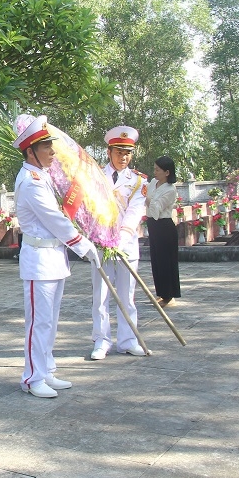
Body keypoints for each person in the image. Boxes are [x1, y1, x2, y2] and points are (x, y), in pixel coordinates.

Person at [12, 114, 98, 398]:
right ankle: (33, 377)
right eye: (46, 147)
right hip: (38, 260)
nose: (52, 152)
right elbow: (54, 219)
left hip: (53, 258)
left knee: (50, 321)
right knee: (39, 322)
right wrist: (83, 245)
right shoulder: (31, 181)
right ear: (30, 151)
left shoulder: (43, 177)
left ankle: (47, 370)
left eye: (51, 146)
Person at [90, 126, 147, 360]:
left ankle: (128, 340)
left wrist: (121, 238)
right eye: (119, 152)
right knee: (100, 295)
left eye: (127, 153)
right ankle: (101, 340)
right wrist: (102, 237)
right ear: (109, 151)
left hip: (126, 244)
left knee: (127, 295)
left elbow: (135, 211)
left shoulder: (137, 181)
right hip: (102, 245)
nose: (123, 157)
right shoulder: (94, 176)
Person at [146, 156, 181, 308]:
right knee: (156, 261)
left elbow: (155, 210)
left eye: (157, 170)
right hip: (153, 226)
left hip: (164, 226)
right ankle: (161, 292)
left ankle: (169, 294)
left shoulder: (170, 189)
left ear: (167, 172)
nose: (155, 172)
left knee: (166, 261)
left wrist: (148, 200)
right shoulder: (153, 183)